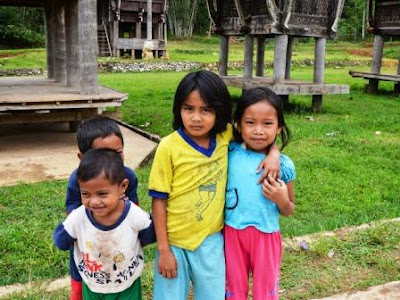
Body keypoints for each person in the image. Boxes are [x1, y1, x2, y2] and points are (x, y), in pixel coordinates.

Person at [148, 70, 281, 300]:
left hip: (210, 241)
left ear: (219, 111)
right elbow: (158, 200)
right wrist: (163, 250)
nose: (196, 118)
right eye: (189, 108)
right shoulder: (168, 147)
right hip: (174, 243)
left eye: (206, 110)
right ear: (179, 109)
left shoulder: (225, 136)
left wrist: (274, 153)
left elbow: (258, 137)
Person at [54, 148, 155, 300]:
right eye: (85, 194)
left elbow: (150, 235)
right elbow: (61, 241)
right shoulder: (78, 218)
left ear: (123, 187)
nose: (94, 201)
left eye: (102, 194)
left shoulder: (135, 215)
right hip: (93, 285)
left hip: (127, 284)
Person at [224, 87, 296, 300]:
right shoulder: (228, 152)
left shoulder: (284, 165)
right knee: (233, 290)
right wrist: (273, 150)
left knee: (265, 292)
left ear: (279, 127)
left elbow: (289, 209)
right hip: (232, 234)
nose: (258, 130)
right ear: (238, 124)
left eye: (267, 123)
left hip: (266, 235)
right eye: (250, 122)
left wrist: (281, 200)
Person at [66, 117, 139, 300]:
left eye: (118, 153)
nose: (112, 161)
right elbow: (72, 215)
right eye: (102, 154)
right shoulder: (77, 180)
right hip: (88, 251)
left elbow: (134, 209)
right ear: (83, 158)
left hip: (120, 251)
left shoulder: (127, 175)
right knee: (79, 292)